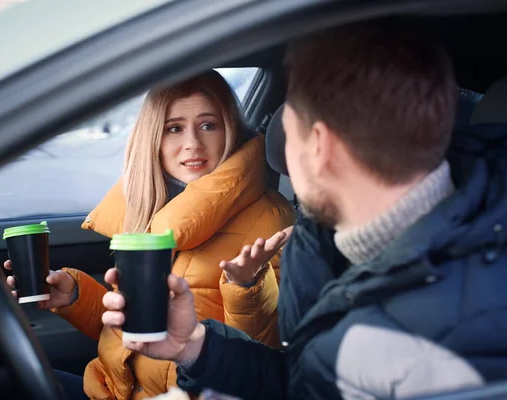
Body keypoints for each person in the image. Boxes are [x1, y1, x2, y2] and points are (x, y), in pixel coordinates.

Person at [102, 21, 507, 399]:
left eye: (284, 130)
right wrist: (195, 347)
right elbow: (303, 381)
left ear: (318, 146)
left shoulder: (438, 348)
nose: (273, 148)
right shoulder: (325, 242)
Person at [5, 70, 295, 399]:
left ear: (230, 130)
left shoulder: (271, 221)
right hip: (109, 389)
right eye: (174, 128)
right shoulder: (154, 204)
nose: (192, 144)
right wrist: (73, 296)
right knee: (1, 378)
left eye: (208, 125)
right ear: (152, 139)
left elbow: (256, 367)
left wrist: (247, 288)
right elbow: (136, 331)